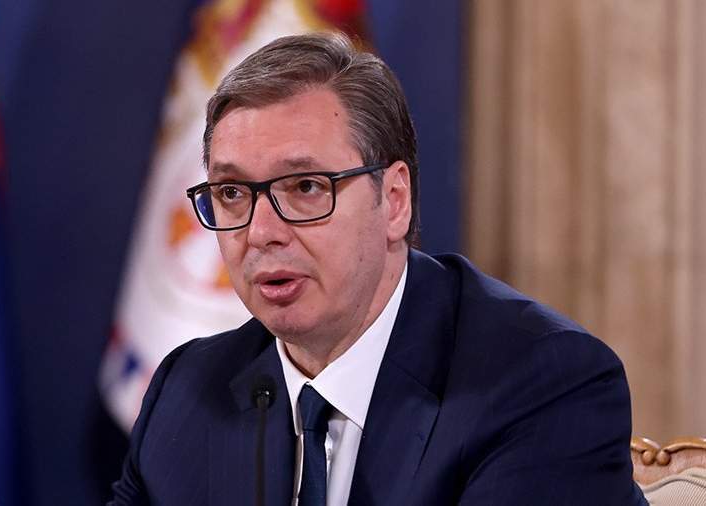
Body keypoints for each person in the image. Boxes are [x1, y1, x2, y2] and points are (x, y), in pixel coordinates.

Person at [109, 32, 647, 506]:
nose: (260, 232)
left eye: (305, 187)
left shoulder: (538, 385)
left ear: (393, 201)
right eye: (231, 193)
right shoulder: (188, 393)